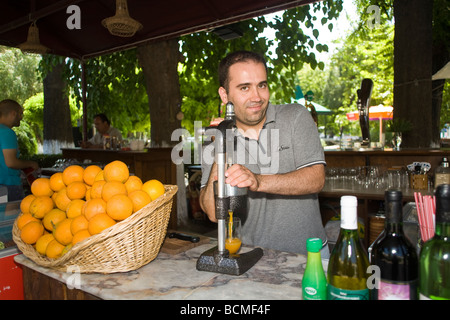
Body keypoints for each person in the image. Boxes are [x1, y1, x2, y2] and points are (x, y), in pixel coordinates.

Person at [199, 51, 328, 257]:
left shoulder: (295, 116)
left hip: (309, 255)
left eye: (262, 85)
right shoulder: (215, 137)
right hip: (250, 256)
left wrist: (257, 181)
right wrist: (220, 148)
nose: (257, 96)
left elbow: (316, 179)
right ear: (225, 95)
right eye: (244, 88)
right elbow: (214, 213)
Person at [0, 99, 39, 201]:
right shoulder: (7, 132)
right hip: (8, 185)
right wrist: (30, 164)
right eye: (20, 114)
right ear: (13, 114)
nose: (21, 118)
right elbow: (11, 162)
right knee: (13, 217)